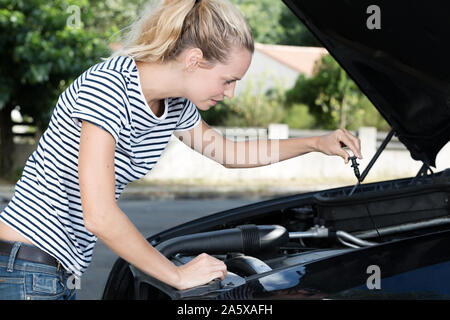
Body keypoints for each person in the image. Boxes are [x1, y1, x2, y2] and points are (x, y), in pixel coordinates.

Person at [0, 0, 362, 300]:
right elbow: (100, 215)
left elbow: (229, 153)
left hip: (51, 272)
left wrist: (316, 143)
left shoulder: (174, 105)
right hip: (25, 267)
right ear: (193, 60)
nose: (231, 93)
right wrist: (176, 274)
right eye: (228, 79)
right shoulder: (108, 88)